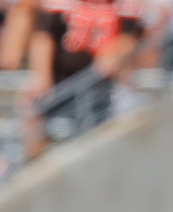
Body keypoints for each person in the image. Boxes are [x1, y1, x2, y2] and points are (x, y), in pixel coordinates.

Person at [22, 0, 142, 158]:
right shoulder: (60, 3)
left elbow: (129, 39)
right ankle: (34, 164)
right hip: (62, 81)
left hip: (105, 81)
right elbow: (44, 36)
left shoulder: (124, 4)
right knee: (29, 102)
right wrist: (42, 77)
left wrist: (111, 57)